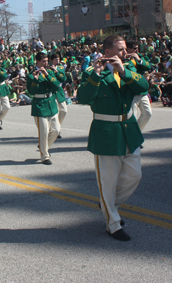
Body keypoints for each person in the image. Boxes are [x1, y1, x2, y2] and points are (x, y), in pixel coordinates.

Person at [78, 35, 148, 241]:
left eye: (125, 49)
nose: (124, 53)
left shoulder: (128, 69)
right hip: (106, 132)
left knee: (135, 175)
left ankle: (109, 206)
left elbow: (143, 87)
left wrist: (124, 71)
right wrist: (97, 76)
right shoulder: (92, 72)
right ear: (107, 52)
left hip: (129, 129)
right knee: (108, 183)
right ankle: (113, 224)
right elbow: (83, 97)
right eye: (120, 50)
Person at [27, 52, 61, 165]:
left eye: (47, 61)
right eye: (44, 61)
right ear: (37, 61)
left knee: (56, 130)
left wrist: (47, 75)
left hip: (51, 103)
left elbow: (56, 85)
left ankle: (43, 146)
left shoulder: (49, 72)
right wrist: (36, 80)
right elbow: (31, 92)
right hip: (40, 104)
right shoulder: (31, 75)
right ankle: (44, 156)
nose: (46, 63)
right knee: (44, 132)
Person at [126, 40, 153, 134]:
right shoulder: (124, 59)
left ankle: (136, 134)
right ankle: (133, 139)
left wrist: (138, 60)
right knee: (132, 117)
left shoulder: (139, 57)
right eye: (134, 48)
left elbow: (148, 66)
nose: (136, 49)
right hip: (132, 91)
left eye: (137, 48)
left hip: (142, 90)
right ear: (128, 48)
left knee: (148, 114)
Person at [50, 54, 68, 138]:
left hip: (60, 90)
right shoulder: (49, 69)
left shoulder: (60, 68)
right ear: (52, 60)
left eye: (58, 59)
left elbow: (63, 78)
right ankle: (56, 130)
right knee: (56, 111)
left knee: (64, 110)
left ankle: (57, 127)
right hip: (53, 91)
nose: (57, 61)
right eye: (55, 59)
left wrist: (57, 71)